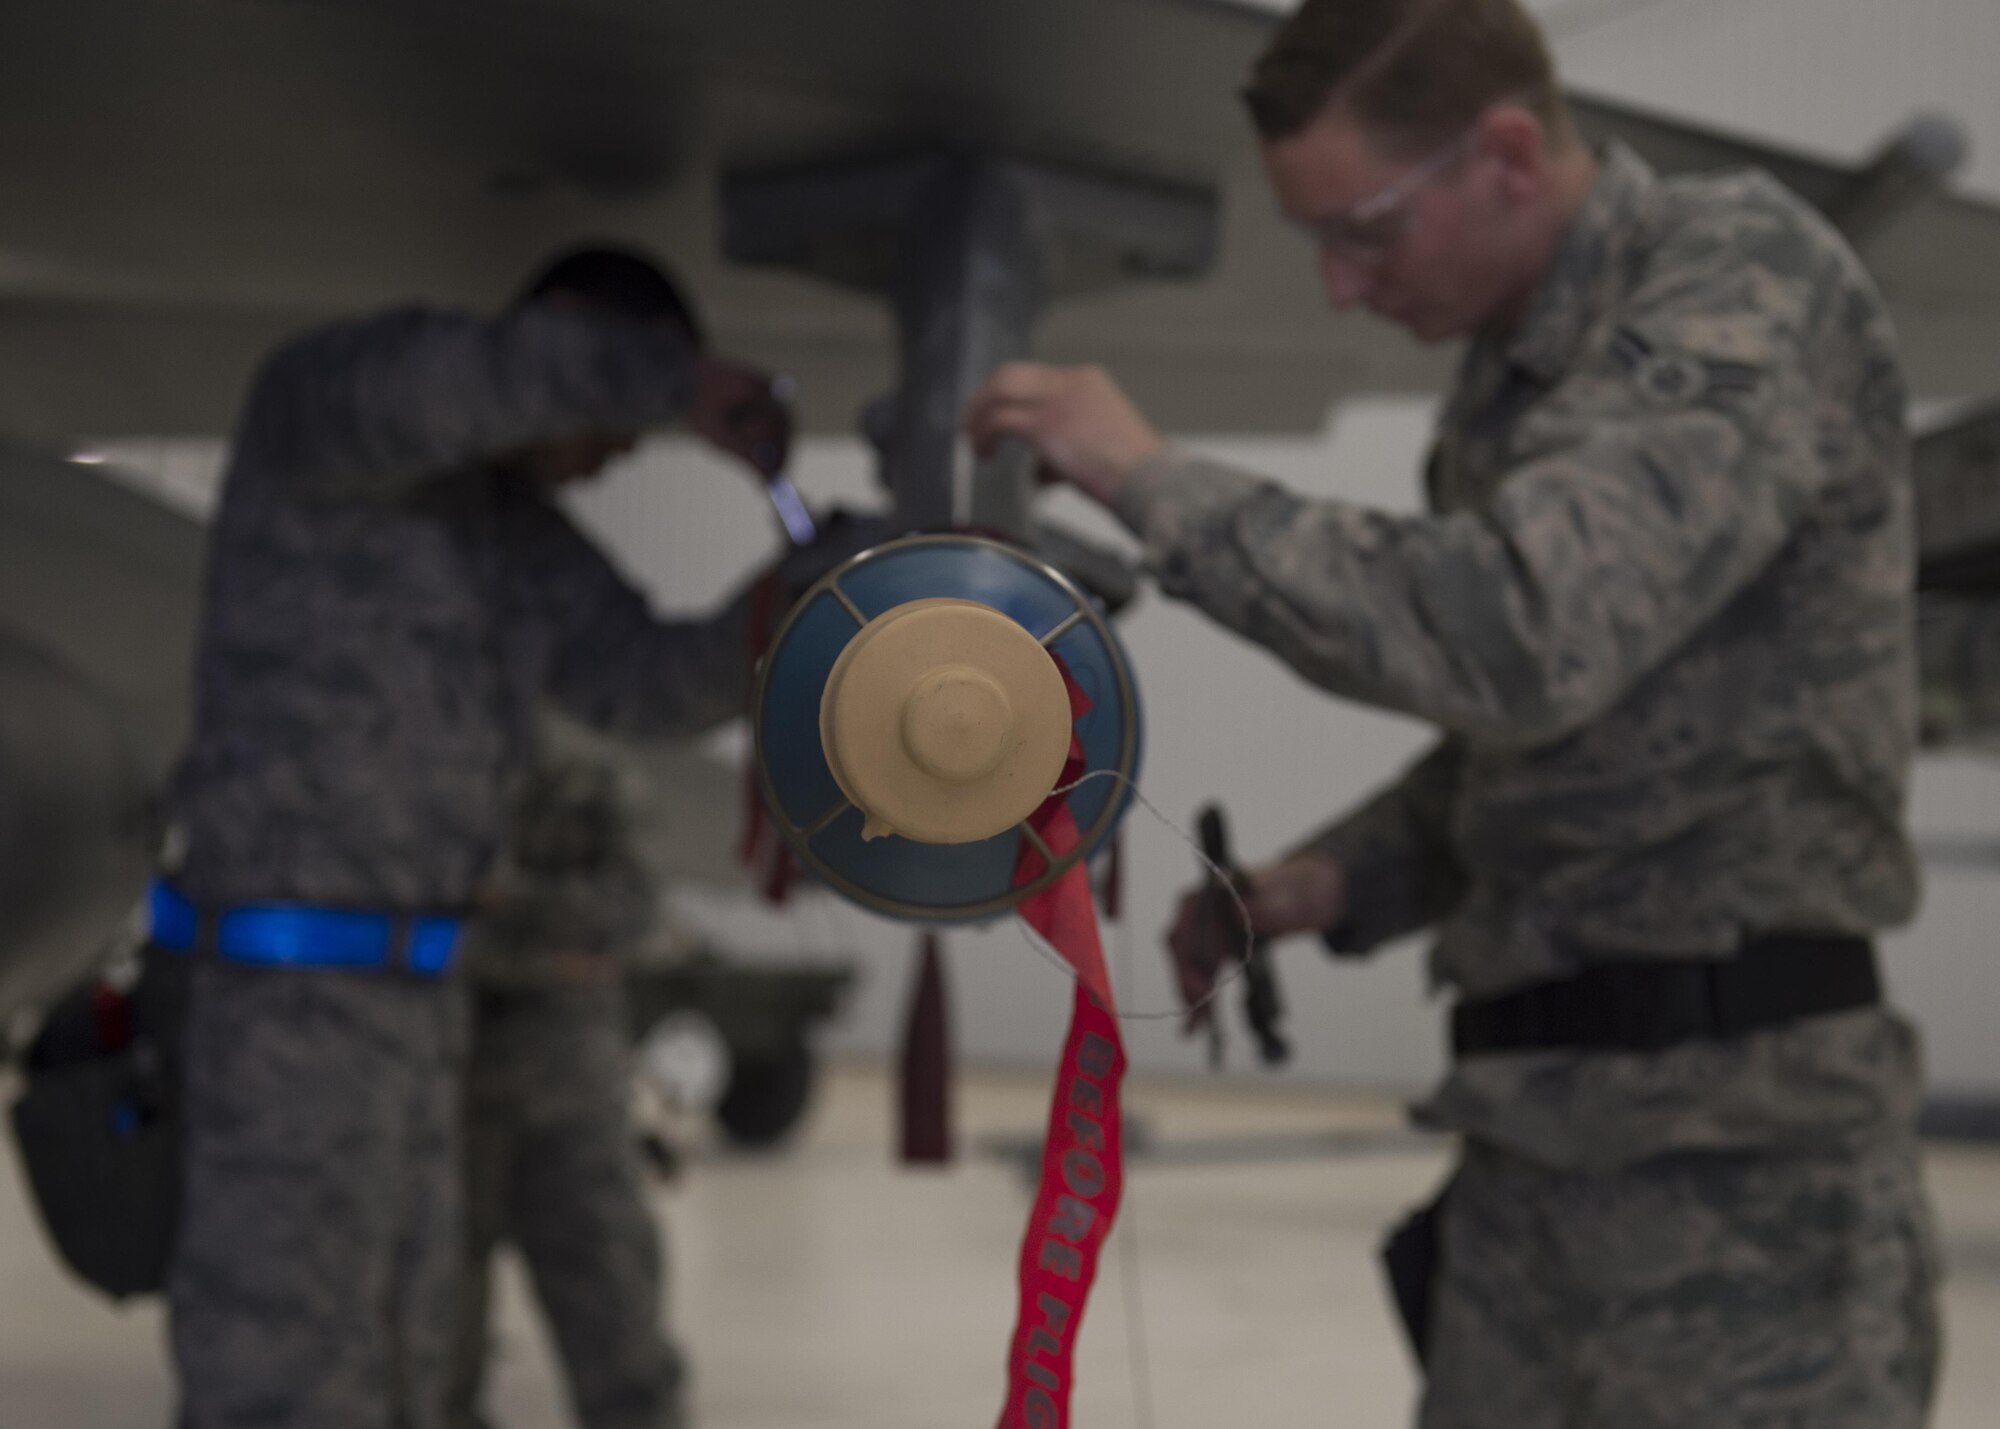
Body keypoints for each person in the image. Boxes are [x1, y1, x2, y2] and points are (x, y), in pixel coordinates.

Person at [964, 1, 1941, 1424]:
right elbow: (1572, 735)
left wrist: (1150, 478)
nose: (1341, 291)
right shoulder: (1509, 385)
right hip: (1532, 1156)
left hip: (1738, 1186)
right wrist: (1338, 878)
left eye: (1359, 231)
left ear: (1500, 156)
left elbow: (1527, 632)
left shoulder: (1738, 281)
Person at [158, 243, 858, 1429]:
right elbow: (481, 380)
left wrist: (799, 600)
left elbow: (638, 677)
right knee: (281, 1376)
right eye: (615, 418)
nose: (620, 455)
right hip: (284, 1012)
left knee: (408, 1368)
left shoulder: (510, 537)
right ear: (574, 340)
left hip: (427, 1015)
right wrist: (673, 385)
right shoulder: (330, 416)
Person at [448, 757, 683, 1429]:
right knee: (431, 1349)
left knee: (619, 1327)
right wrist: (547, 955)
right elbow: (403, 919)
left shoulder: (584, 779)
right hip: (443, 1101)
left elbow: (631, 911)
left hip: (569, 1104)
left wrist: (496, 902)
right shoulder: (424, 768)